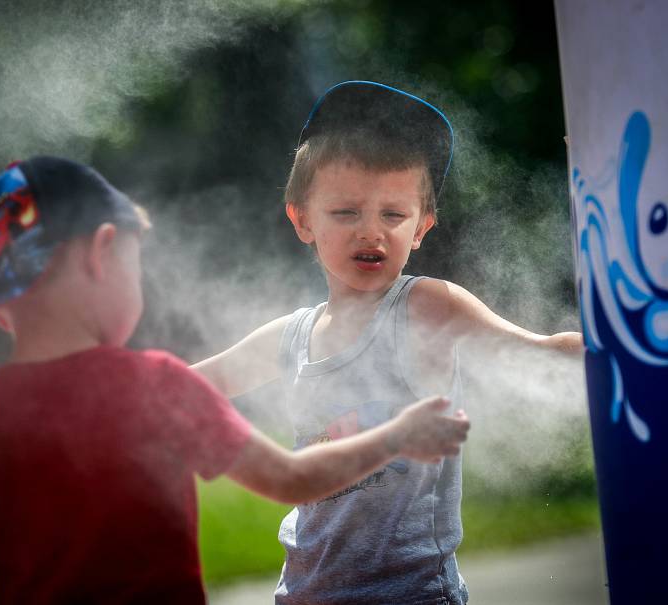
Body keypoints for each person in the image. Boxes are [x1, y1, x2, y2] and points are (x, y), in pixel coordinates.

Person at [0, 155, 470, 605]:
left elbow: (1, 578)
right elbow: (289, 479)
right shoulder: (153, 387)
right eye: (135, 263)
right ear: (101, 253)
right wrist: (398, 436)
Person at [192, 81, 583, 605]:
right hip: (304, 595)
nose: (370, 232)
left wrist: (587, 167)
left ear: (421, 227)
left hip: (414, 594)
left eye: (392, 216)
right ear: (302, 219)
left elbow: (539, 353)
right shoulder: (291, 338)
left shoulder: (426, 306)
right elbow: (185, 388)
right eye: (346, 212)